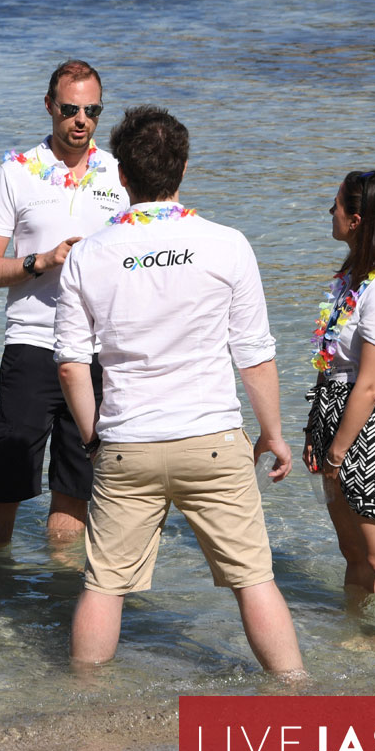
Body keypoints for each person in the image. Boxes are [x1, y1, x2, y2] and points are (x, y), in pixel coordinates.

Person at [54, 106, 303, 673]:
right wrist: (273, 434)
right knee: (254, 580)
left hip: (127, 443)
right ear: (184, 169)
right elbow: (255, 354)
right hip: (211, 438)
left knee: (104, 586)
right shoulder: (226, 243)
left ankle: (81, 713)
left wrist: (95, 437)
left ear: (121, 175)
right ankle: (294, 691)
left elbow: (70, 365)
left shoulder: (88, 255)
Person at [0, 59, 127, 547]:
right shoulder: (16, 173)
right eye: (70, 109)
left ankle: (58, 605)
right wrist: (41, 261)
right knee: (2, 491)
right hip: (32, 346)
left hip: (99, 352)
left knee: (76, 493)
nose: (81, 120)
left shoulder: (119, 173)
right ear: (49, 106)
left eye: (92, 110)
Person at [304, 170, 375, 627]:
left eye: (334, 205)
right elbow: (333, 364)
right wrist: (318, 429)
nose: (328, 212)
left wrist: (337, 451)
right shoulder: (357, 278)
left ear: (356, 220)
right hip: (339, 413)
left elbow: (370, 384)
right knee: (353, 550)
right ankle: (355, 639)